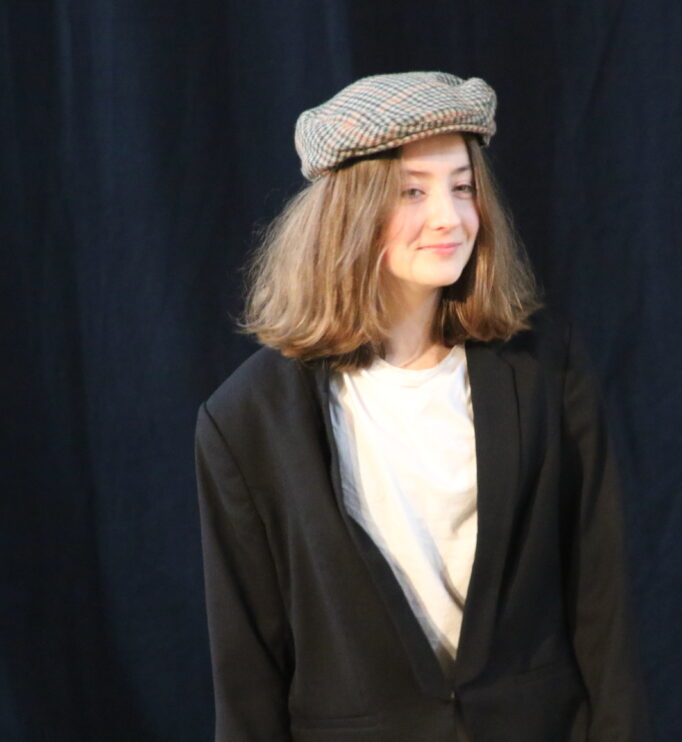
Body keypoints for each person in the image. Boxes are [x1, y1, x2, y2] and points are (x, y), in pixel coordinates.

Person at [194, 71, 649, 742]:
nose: (450, 217)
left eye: (462, 187)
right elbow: (249, 670)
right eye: (413, 191)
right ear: (349, 211)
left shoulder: (546, 372)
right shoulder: (246, 420)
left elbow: (602, 602)